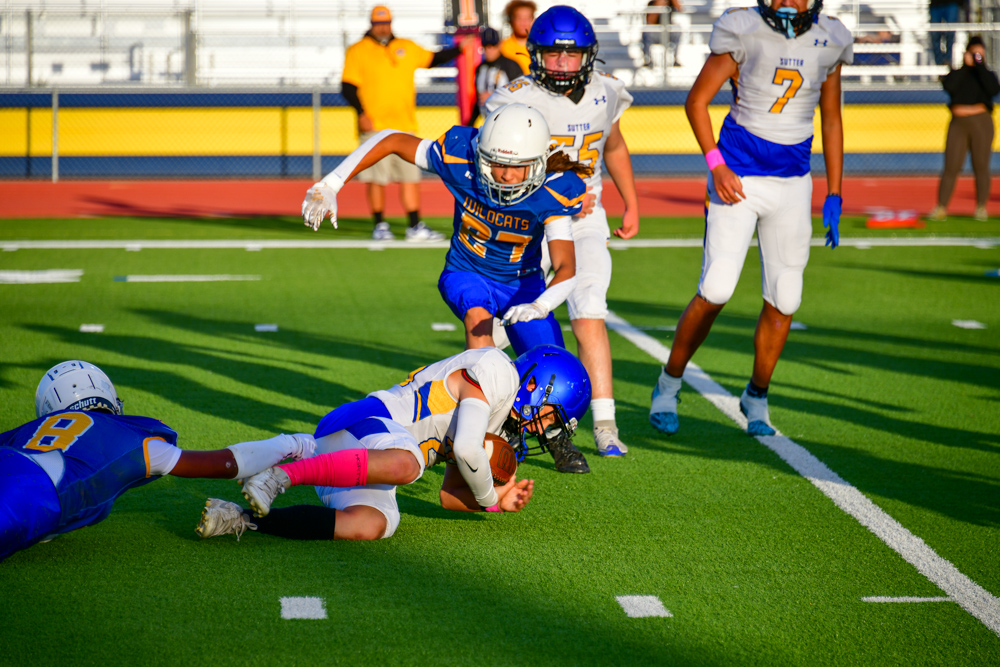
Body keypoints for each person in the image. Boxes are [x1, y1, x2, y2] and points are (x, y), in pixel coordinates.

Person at [300, 105, 593, 474]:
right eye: (496, 163)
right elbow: (391, 139)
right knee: (479, 324)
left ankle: (554, 435)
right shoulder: (461, 157)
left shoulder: (554, 189)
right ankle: (490, 425)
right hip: (467, 271)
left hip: (522, 284)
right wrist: (331, 183)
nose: (504, 175)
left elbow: (566, 267)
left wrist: (540, 305)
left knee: (551, 364)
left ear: (536, 163)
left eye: (516, 167)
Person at [649, 0, 852, 437]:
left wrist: (835, 190)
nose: (787, 3)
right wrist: (716, 164)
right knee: (716, 288)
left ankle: (757, 395)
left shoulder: (831, 37)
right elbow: (696, 101)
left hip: (792, 181)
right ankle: (668, 383)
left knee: (786, 297)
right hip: (738, 176)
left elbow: (832, 119)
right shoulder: (743, 29)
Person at [195, 345, 592, 541]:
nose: (544, 432)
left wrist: (496, 500)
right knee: (409, 464)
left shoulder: (500, 426)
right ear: (537, 385)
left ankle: (242, 519)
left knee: (375, 524)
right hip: (361, 423)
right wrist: (489, 493)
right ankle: (283, 472)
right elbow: (467, 451)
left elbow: (450, 495)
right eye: (550, 418)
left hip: (363, 460)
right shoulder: (498, 371)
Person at [486, 6, 640, 459]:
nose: (561, 63)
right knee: (502, 324)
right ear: (535, 55)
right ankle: (499, 416)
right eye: (552, 54)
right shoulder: (514, 98)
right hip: (528, 222)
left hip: (585, 220)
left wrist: (631, 201)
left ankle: (605, 424)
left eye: (571, 55)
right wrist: (559, 195)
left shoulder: (607, 91)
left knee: (589, 309)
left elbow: (614, 145)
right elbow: (498, 166)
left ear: (588, 56)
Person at [0, 361, 315, 561]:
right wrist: (290, 444)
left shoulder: (27, 430)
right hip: (33, 492)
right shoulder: (128, 435)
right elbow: (227, 463)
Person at [341, 5, 465, 242]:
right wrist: (361, 113)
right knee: (376, 178)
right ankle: (380, 225)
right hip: (375, 126)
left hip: (404, 125)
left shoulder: (406, 47)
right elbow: (347, 87)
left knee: (410, 177)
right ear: (371, 24)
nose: (382, 27)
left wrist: (460, 49)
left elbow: (434, 59)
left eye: (385, 23)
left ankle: (414, 225)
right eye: (378, 23)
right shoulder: (358, 50)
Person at [930, 36, 999, 223]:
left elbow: (993, 90)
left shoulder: (986, 74)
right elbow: (949, 86)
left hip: (981, 122)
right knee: (951, 165)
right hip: (958, 122)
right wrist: (965, 66)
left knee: (981, 165)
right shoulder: (959, 74)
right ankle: (941, 207)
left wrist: (980, 66)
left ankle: (981, 207)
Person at [468, 27, 524, 127]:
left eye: (493, 45)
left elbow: (522, 96)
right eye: (486, 46)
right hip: (488, 123)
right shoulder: (480, 69)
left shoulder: (511, 66)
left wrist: (494, 96)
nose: (489, 50)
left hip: (510, 123)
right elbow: (478, 100)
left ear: (499, 45)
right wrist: (470, 124)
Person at [642, 0, 683, 68]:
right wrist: (658, 5)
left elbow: (680, 9)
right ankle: (648, 60)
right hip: (655, 33)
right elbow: (650, 21)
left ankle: (675, 59)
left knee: (677, 30)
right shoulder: (651, 4)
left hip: (668, 32)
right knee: (647, 32)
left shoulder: (671, 4)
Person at [501, 0, 536, 75]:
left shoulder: (539, 46)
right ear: (512, 20)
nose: (523, 23)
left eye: (527, 18)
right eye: (519, 18)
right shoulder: (502, 47)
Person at [929, 0, 964, 67]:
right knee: (935, 34)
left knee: (950, 34)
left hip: (952, 3)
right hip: (935, 4)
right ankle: (939, 62)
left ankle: (948, 61)